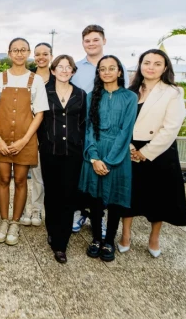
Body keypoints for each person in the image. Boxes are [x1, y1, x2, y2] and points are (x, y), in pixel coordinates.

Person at [119, 49, 186, 257]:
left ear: (165, 67)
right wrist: (131, 148)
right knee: (128, 195)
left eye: (157, 63)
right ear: (140, 65)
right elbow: (121, 123)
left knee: (159, 197)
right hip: (130, 148)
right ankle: (125, 235)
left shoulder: (173, 92)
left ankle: (154, 238)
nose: (151, 67)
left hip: (159, 150)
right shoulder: (130, 91)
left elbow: (171, 127)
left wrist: (146, 152)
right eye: (146, 62)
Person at [0, 38, 48, 246]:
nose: (19, 53)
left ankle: (15, 222)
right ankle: (3, 220)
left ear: (27, 52)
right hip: (0, 137)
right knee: (2, 179)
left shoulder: (35, 80)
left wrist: (24, 140)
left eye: (23, 50)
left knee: (20, 180)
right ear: (9, 53)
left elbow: (39, 114)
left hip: (25, 138)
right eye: (15, 50)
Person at [79, 55, 137, 263]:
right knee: (95, 200)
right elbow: (88, 129)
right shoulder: (91, 96)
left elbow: (126, 131)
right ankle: (95, 238)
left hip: (118, 155)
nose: (107, 72)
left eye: (112, 68)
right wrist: (94, 157)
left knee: (114, 201)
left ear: (120, 72)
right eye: (102, 69)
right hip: (95, 151)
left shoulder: (130, 98)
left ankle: (109, 240)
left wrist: (110, 160)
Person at [39, 55, 87, 264]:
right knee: (52, 194)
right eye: (61, 67)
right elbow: (38, 120)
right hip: (50, 151)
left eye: (69, 67)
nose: (65, 70)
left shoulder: (81, 95)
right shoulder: (43, 92)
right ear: (53, 70)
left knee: (68, 196)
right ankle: (52, 229)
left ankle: (61, 243)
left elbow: (84, 123)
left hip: (73, 153)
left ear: (73, 71)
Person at [70, 24, 108, 234]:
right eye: (87, 40)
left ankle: (98, 216)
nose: (91, 44)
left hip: (104, 129)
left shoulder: (112, 65)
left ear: (104, 41)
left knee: (99, 174)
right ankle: (78, 212)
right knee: (78, 171)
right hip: (79, 127)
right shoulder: (76, 68)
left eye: (95, 39)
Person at [20, 42, 52, 227]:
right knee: (23, 175)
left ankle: (36, 209)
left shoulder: (57, 79)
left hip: (47, 133)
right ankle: (24, 208)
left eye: (45, 54)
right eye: (38, 54)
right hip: (27, 131)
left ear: (51, 56)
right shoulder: (28, 78)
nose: (41, 57)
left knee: (39, 175)